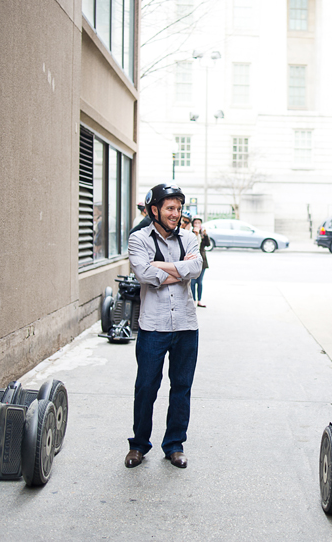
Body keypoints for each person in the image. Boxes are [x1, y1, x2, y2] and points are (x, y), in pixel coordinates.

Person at [124, 183, 204, 470]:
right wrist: (179, 270)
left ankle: (174, 445)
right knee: (146, 386)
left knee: (181, 387)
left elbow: (196, 269)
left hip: (185, 325)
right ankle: (138, 445)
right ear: (153, 210)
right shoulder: (138, 239)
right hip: (153, 326)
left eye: (179, 208)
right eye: (170, 208)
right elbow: (144, 274)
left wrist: (162, 266)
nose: (176, 214)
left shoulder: (189, 238)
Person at [191, 217, 210, 307]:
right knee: (193, 282)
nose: (197, 224)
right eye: (196, 223)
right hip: (193, 260)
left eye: (199, 223)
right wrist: (196, 234)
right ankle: (193, 300)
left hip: (202, 260)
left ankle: (199, 300)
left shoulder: (203, 233)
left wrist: (205, 235)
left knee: (200, 282)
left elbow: (208, 244)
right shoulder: (191, 234)